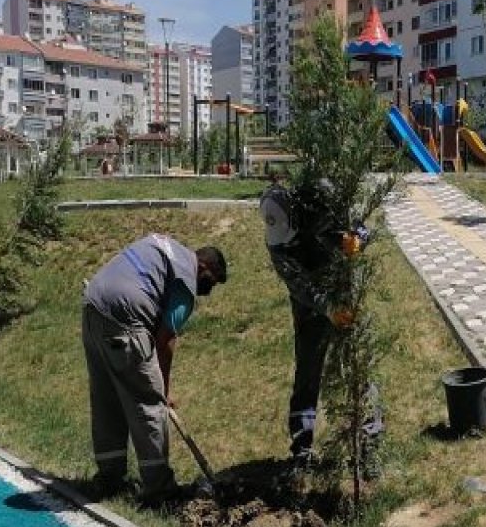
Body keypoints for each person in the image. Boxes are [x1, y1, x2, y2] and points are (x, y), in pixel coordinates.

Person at [81, 234, 227, 503]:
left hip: (92, 310)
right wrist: (164, 390)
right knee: (148, 403)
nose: (208, 290)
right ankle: (159, 489)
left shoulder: (162, 246)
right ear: (205, 268)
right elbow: (166, 340)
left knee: (106, 399)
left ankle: (109, 479)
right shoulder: (186, 278)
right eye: (211, 283)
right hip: (125, 319)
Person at [259, 177, 366, 472]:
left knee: (359, 370)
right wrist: (328, 308)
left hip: (344, 294)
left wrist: (356, 237)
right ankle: (301, 452)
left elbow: (359, 220)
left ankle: (369, 443)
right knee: (307, 374)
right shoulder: (277, 242)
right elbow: (300, 286)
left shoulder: (322, 195)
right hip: (309, 308)